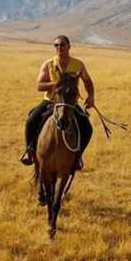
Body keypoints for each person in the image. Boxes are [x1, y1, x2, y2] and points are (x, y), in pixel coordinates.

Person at [20, 35, 94, 170]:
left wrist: (91, 96)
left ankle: (77, 157)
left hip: (70, 103)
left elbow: (87, 81)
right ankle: (29, 151)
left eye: (62, 45)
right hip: (51, 101)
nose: (59, 47)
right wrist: (57, 84)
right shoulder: (48, 64)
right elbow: (39, 86)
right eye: (56, 45)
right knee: (31, 120)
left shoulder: (78, 64)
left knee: (87, 127)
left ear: (69, 46)